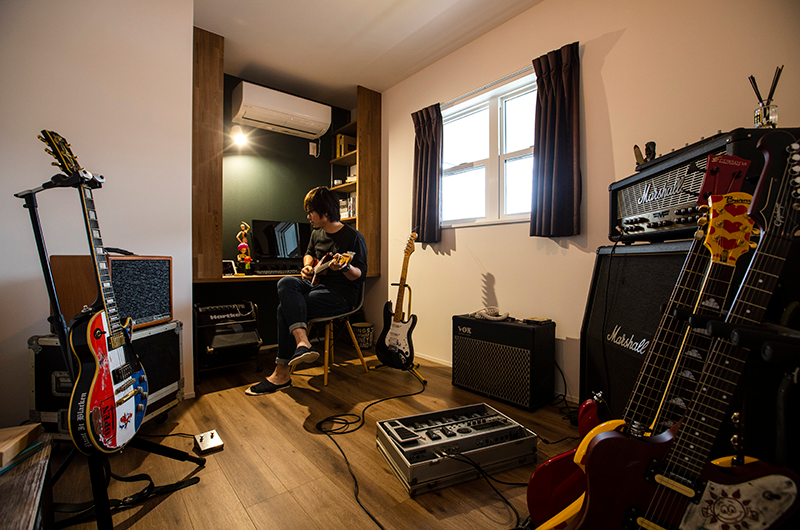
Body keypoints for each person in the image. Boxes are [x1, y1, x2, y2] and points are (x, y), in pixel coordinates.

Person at [246, 186, 367, 395]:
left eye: (311, 211)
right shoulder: (316, 233)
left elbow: (361, 274)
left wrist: (345, 267)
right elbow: (309, 253)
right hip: (316, 285)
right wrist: (308, 266)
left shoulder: (353, 237)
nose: (308, 216)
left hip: (341, 295)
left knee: (284, 309)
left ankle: (282, 373)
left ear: (325, 212)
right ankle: (302, 342)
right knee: (286, 282)